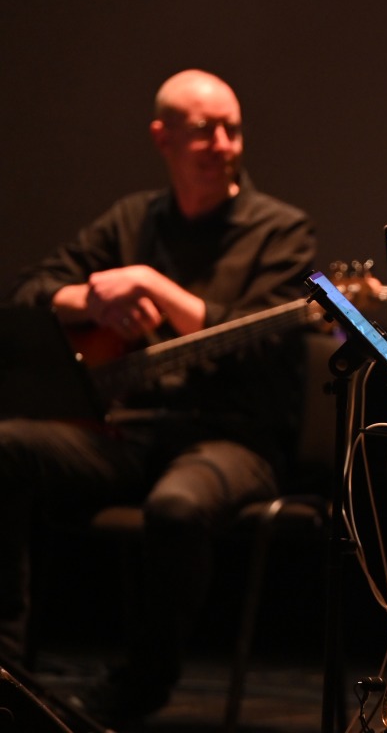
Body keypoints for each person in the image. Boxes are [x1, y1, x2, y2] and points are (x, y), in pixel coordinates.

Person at [0, 69, 317, 725]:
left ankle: (142, 685)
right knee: (4, 447)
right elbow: (31, 290)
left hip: (235, 439)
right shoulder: (131, 219)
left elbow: (261, 341)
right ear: (162, 138)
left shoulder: (282, 230)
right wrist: (93, 299)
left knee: (176, 507)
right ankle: (6, 672)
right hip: (131, 432)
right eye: (205, 131)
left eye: (233, 130)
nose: (224, 145)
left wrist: (152, 286)